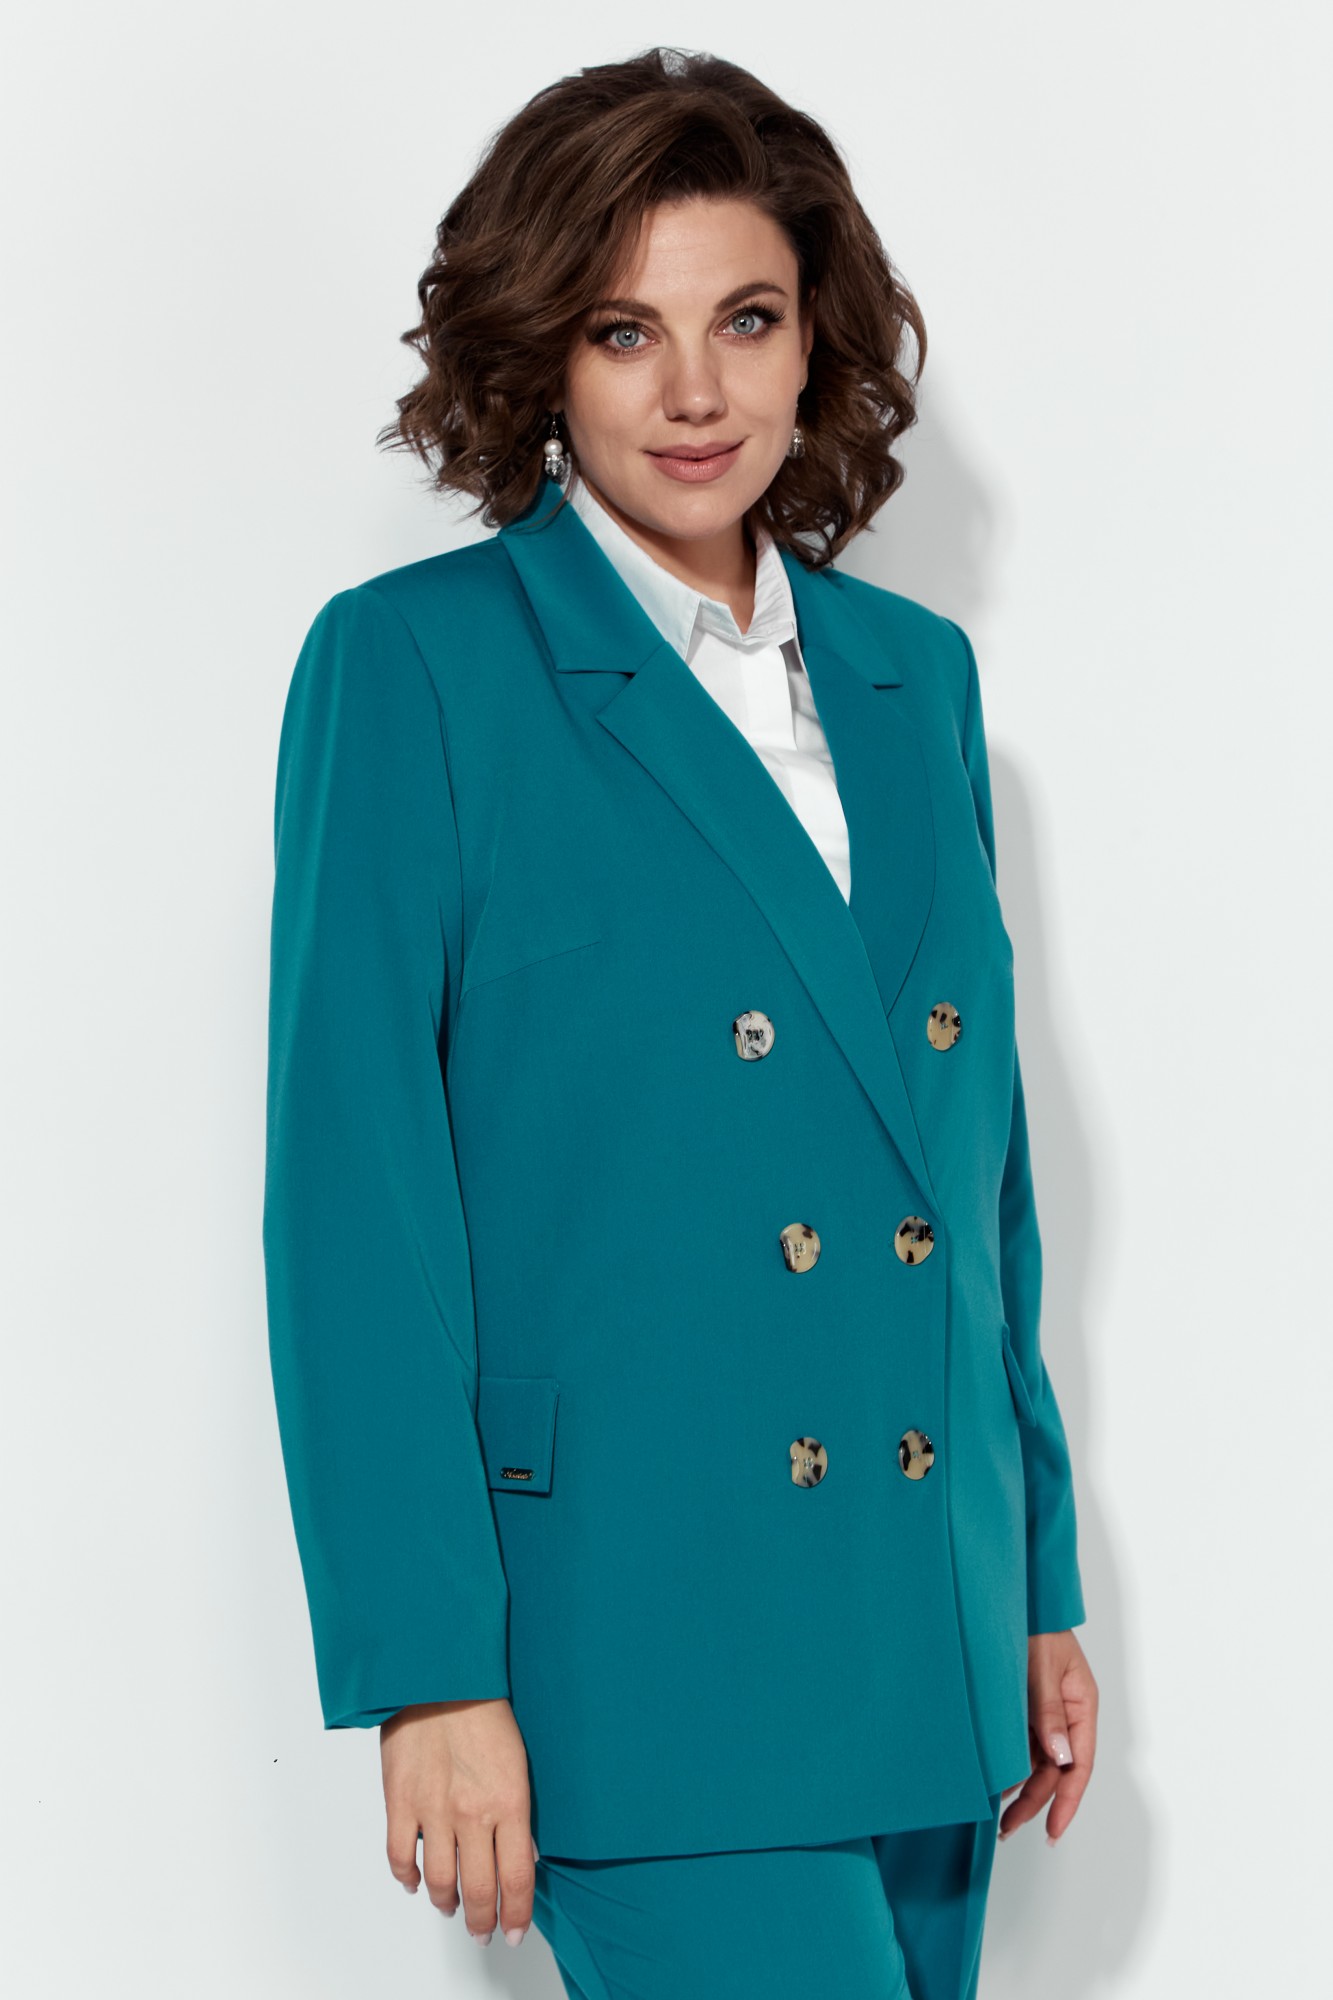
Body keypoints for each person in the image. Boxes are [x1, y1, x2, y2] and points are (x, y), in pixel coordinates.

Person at [262, 44, 1097, 2000]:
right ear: (542, 358)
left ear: (818, 344)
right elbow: (355, 1211)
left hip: (925, 1616)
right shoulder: (416, 669)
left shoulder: (910, 678)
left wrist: (1032, 1576)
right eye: (624, 331)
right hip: (637, 1638)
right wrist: (427, 1671)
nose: (694, 391)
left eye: (747, 319)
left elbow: (971, 1182)